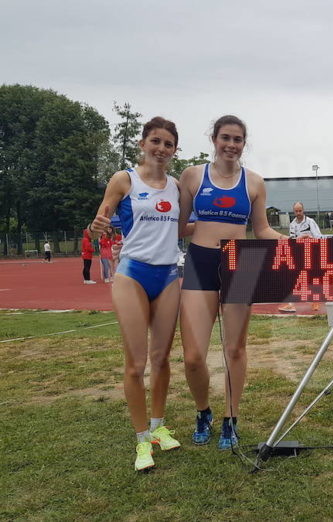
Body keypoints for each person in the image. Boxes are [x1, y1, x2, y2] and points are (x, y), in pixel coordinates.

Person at [178, 114, 287, 450]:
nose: (231, 144)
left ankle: (230, 418)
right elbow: (178, 226)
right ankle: (203, 411)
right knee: (193, 356)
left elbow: (262, 229)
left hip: (241, 264)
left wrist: (292, 241)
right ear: (214, 139)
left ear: (244, 144)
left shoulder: (254, 182)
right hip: (201, 262)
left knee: (235, 349)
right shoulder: (192, 176)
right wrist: (205, 226)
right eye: (225, 137)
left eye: (237, 139)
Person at [90, 116, 185, 472]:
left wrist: (223, 224)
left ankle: (159, 428)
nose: (161, 148)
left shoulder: (177, 187)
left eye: (168, 144)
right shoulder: (124, 179)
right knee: (136, 363)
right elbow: (98, 224)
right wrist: (96, 227)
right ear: (142, 144)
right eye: (155, 141)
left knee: (161, 359)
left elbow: (183, 227)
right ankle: (142, 439)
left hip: (168, 275)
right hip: (133, 274)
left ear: (174, 150)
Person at [278, 201, 323, 313]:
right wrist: (300, 239)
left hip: (312, 253)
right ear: (294, 212)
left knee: (313, 278)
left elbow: (319, 238)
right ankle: (291, 304)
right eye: (296, 211)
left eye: (300, 211)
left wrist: (309, 238)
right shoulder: (292, 224)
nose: (298, 213)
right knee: (295, 279)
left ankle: (316, 301)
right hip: (299, 254)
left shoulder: (310, 222)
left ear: (303, 210)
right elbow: (292, 240)